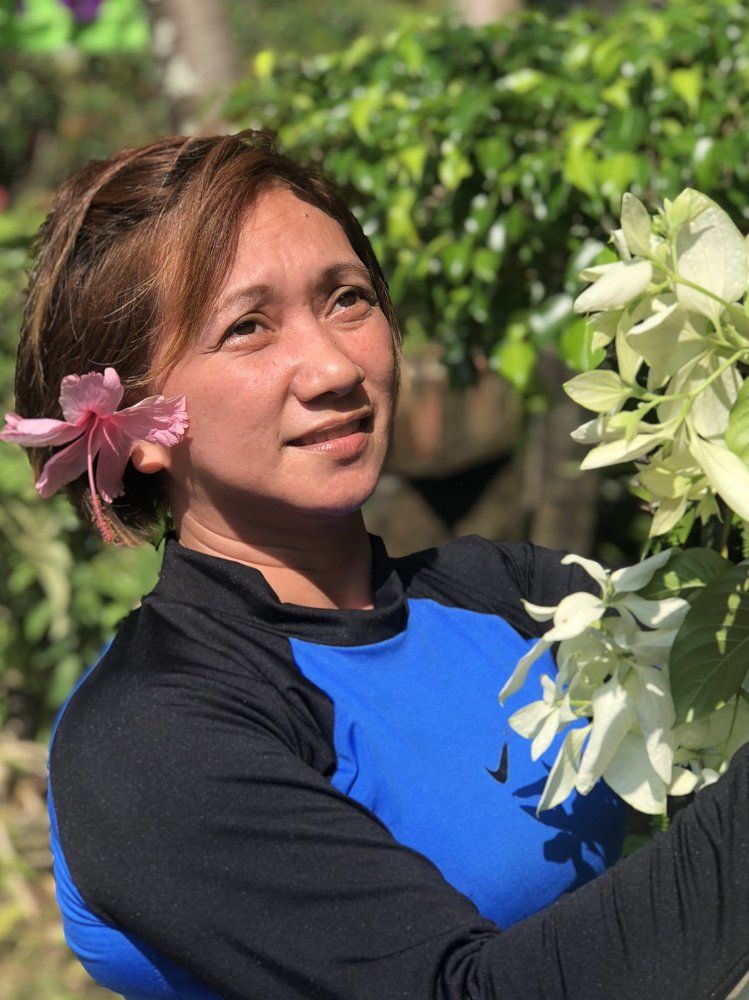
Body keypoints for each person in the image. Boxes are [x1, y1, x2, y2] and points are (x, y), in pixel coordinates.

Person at [2, 130, 747, 1000]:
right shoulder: (148, 736)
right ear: (137, 427)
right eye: (247, 328)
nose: (333, 367)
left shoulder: (510, 595)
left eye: (348, 299)